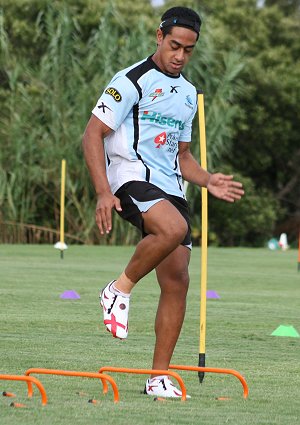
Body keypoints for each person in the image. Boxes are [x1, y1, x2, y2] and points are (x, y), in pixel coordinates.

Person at [82, 6, 244, 398]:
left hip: (171, 187)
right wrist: (104, 191)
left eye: (188, 50)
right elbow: (92, 134)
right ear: (159, 36)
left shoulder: (188, 94)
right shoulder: (130, 80)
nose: (180, 56)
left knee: (177, 280)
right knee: (173, 228)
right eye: (174, 46)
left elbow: (182, 156)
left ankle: (158, 377)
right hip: (130, 177)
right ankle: (118, 289)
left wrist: (208, 180)